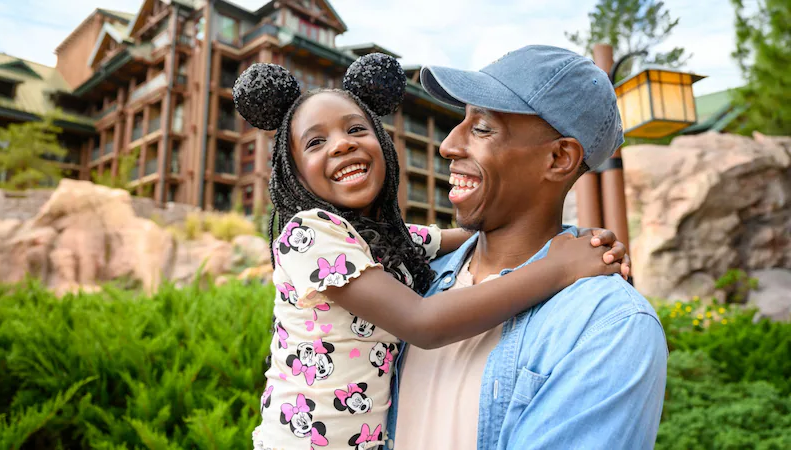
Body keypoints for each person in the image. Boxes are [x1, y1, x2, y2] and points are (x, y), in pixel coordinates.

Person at [233, 53, 632, 450]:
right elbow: (423, 323)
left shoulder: (387, 240)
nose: (341, 145)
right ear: (292, 169)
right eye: (316, 142)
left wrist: (578, 241)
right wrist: (557, 267)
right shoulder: (309, 234)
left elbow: (459, 235)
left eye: (356, 129)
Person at [388, 45, 668, 450]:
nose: (448, 146)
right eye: (460, 121)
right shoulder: (416, 279)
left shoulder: (610, 325)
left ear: (558, 158)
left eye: (482, 128)